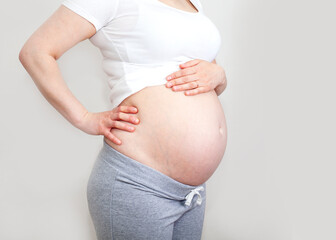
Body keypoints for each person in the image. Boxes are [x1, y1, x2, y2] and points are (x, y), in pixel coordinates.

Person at [19, 0, 228, 239]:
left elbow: (202, 72)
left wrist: (220, 76)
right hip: (138, 184)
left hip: (193, 193)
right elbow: (36, 51)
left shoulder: (193, 3)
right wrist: (84, 118)